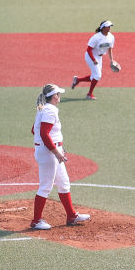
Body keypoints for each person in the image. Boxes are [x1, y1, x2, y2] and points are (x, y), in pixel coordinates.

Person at [28, 84, 90, 230]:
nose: (59, 96)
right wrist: (56, 151)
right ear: (54, 96)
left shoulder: (44, 109)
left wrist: (58, 146)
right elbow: (43, 133)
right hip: (49, 153)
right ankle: (36, 221)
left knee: (63, 182)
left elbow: (34, 130)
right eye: (58, 94)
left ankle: (71, 216)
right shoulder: (49, 110)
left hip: (50, 149)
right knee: (45, 186)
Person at [71, 20, 119, 100]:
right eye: (108, 26)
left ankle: (78, 80)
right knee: (97, 75)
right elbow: (89, 49)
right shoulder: (96, 37)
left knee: (94, 76)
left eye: (110, 26)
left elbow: (110, 49)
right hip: (91, 56)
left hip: (99, 57)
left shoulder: (111, 37)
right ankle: (89, 94)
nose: (110, 28)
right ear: (103, 28)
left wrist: (112, 60)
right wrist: (93, 60)